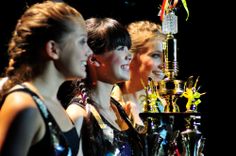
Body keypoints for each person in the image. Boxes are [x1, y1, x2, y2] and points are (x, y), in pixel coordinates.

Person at [0, 1, 92, 156]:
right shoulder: (23, 104)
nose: (89, 52)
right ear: (52, 49)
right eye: (82, 41)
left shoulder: (54, 103)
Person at [58, 17, 143, 156]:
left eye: (128, 48)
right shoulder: (78, 114)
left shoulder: (117, 108)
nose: (129, 56)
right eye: (121, 48)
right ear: (92, 59)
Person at [111, 20, 167, 133]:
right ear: (130, 57)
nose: (164, 65)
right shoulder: (110, 104)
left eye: (166, 57)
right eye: (156, 55)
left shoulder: (163, 104)